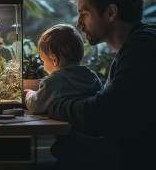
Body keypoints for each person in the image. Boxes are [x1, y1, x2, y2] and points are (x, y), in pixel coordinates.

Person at [48, 0, 156, 170]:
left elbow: (100, 114)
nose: (79, 23)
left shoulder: (142, 48)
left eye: (84, 14)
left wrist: (54, 104)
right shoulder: (135, 45)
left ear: (111, 13)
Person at [24, 24, 122, 170]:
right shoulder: (91, 76)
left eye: (44, 61)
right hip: (99, 145)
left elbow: (37, 106)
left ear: (54, 59)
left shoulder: (54, 81)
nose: (44, 66)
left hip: (73, 148)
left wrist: (28, 94)